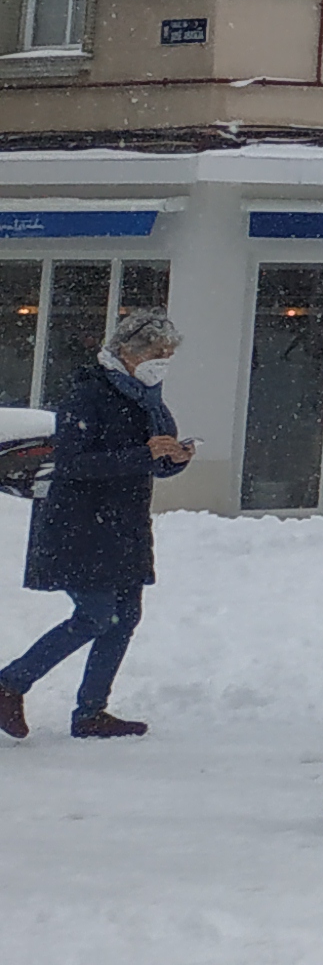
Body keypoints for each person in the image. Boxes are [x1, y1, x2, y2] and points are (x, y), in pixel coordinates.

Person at [2, 305, 194, 741]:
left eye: (168, 353)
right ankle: (10, 683)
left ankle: (91, 711)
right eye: (156, 352)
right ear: (128, 351)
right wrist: (143, 455)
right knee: (95, 615)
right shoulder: (88, 393)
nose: (162, 361)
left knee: (124, 617)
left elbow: (152, 460)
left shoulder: (150, 398)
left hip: (122, 524)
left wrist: (173, 458)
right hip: (79, 524)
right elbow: (71, 463)